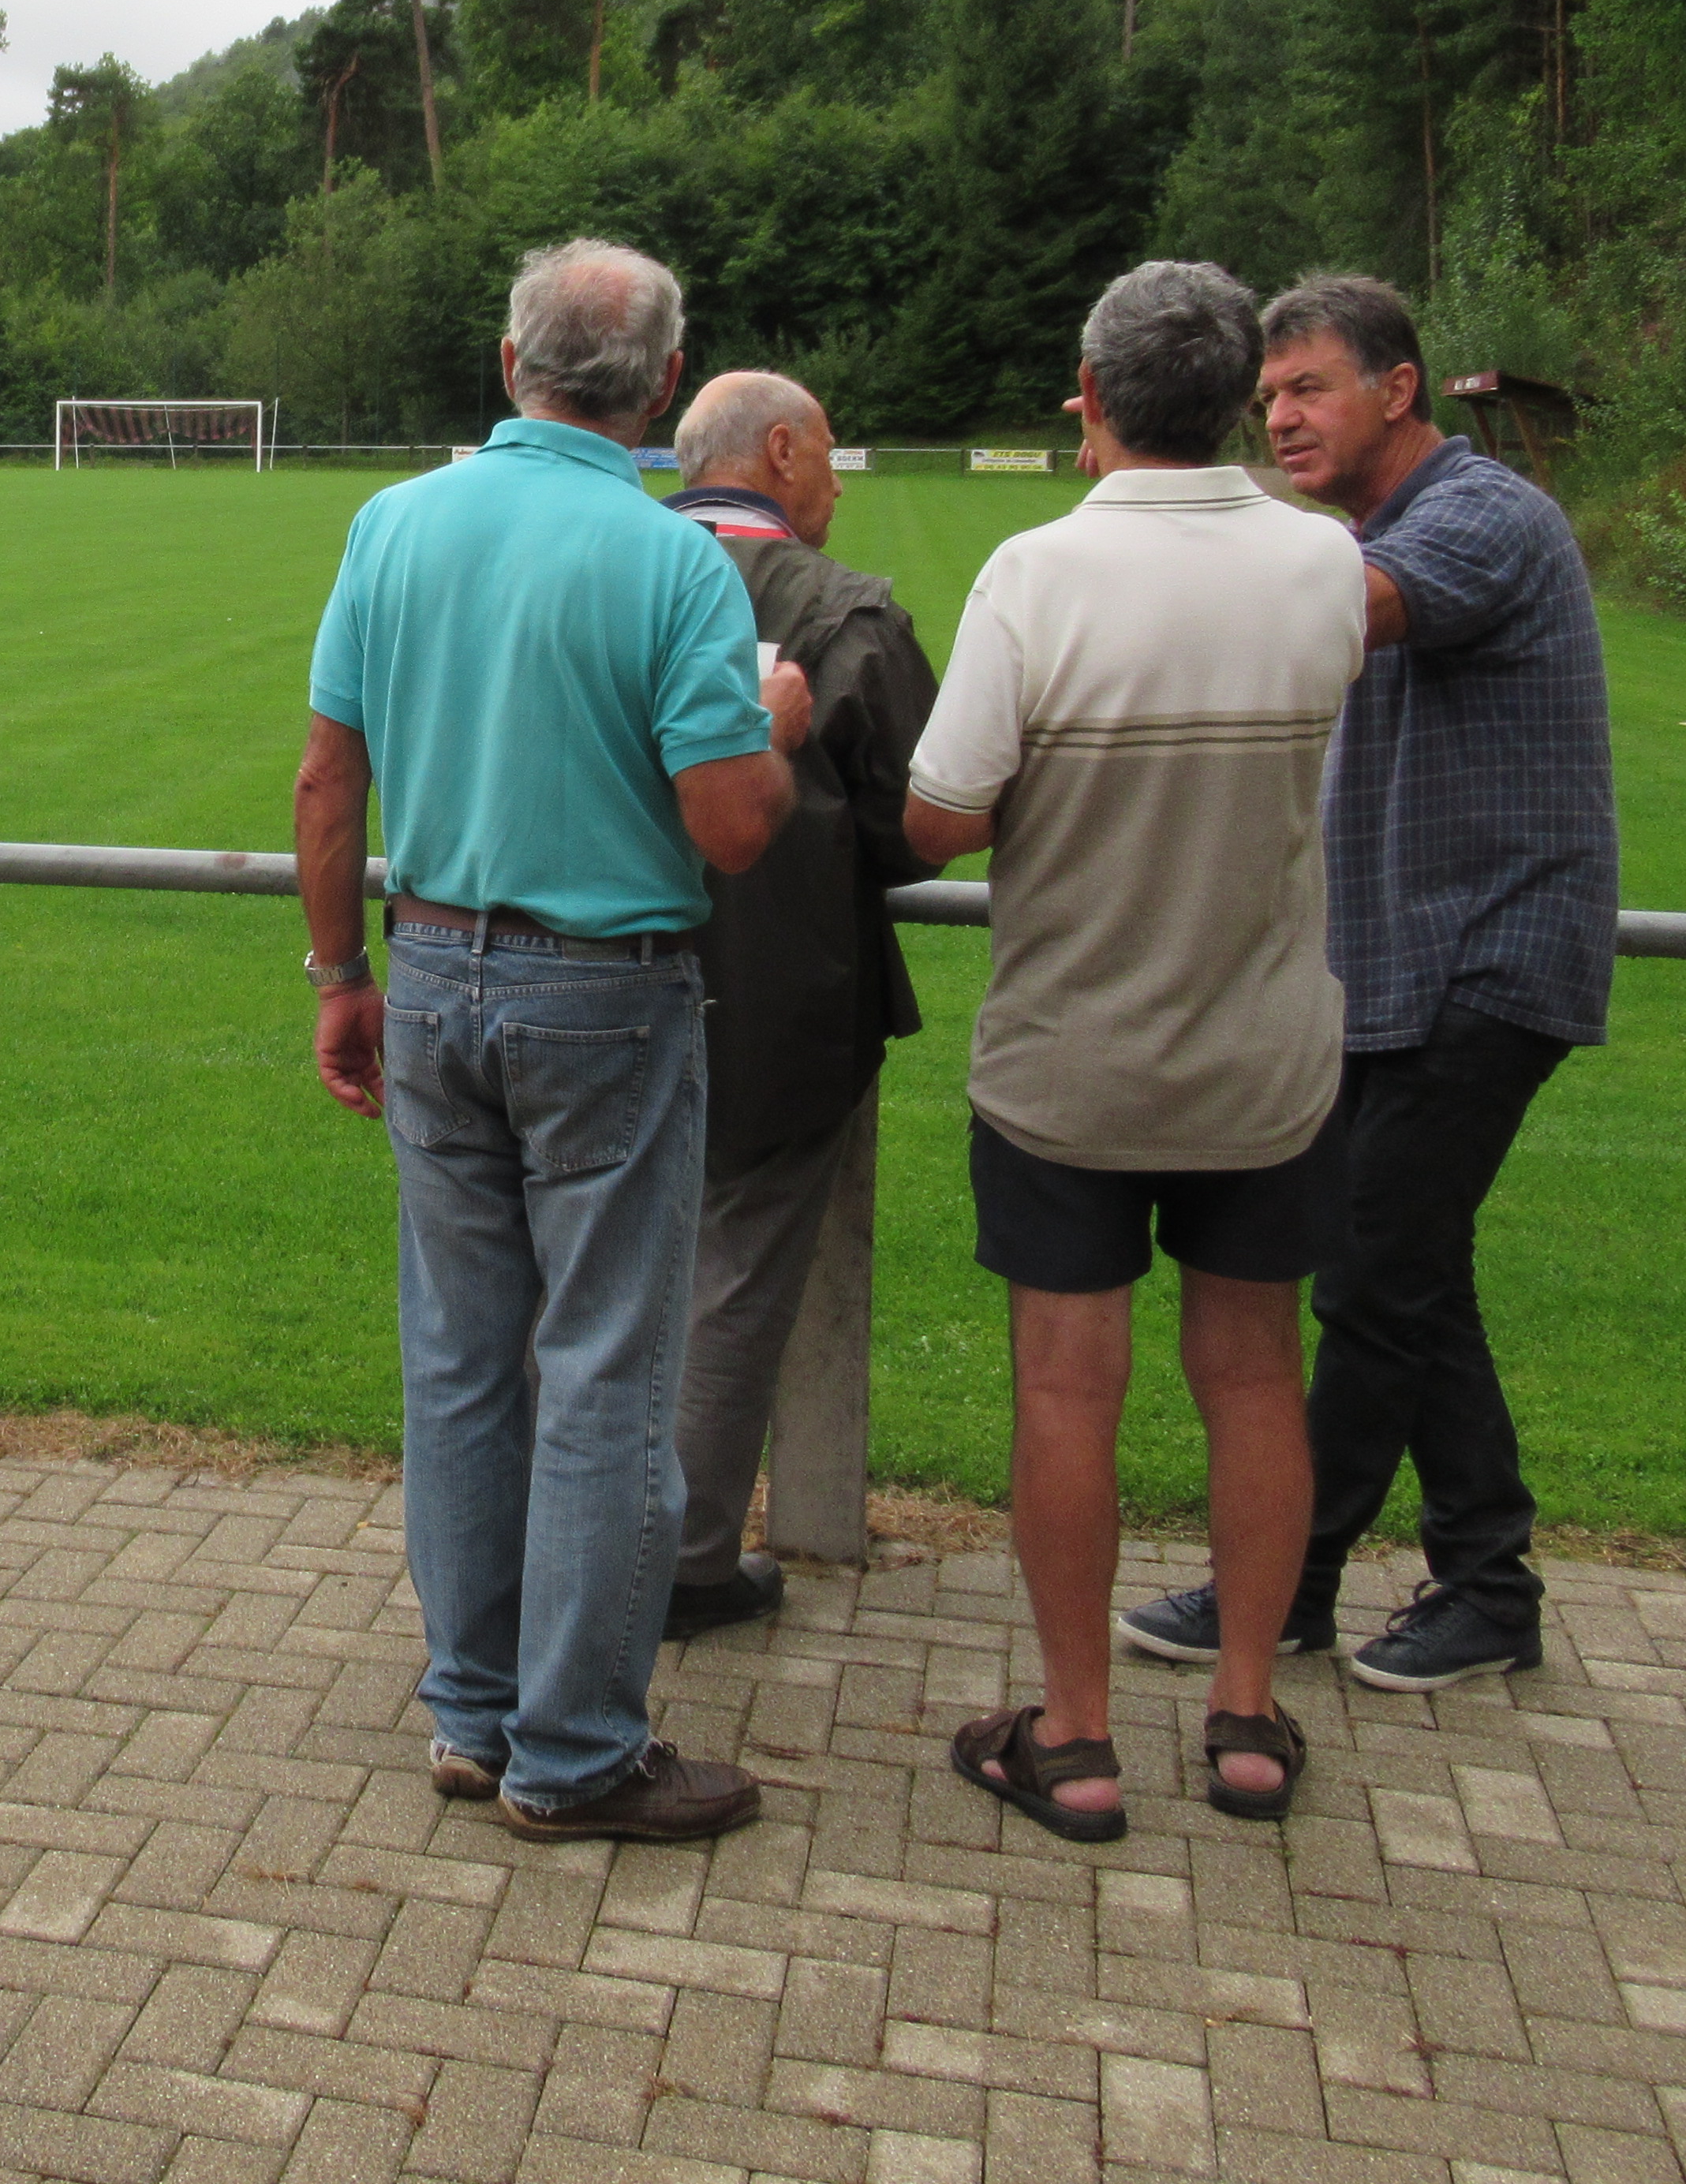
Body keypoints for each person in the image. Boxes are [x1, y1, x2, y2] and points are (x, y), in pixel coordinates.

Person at [295, 240, 808, 1843]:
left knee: (460, 1361)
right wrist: (778, 727)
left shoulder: (395, 523)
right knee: (602, 1374)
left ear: (511, 363)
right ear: (666, 383)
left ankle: (473, 1709)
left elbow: (327, 780)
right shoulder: (676, 564)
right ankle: (574, 1749)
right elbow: (733, 827)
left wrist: (339, 973)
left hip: (431, 970)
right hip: (603, 994)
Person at [900, 262, 1363, 1841]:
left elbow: (942, 818)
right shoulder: (1324, 564)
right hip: (1267, 1061)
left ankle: (1078, 1736)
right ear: (1239, 398)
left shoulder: (1036, 574)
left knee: (1066, 1387)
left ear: (1089, 397)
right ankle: (1247, 1716)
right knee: (1257, 1376)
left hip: (1072, 1062)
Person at [1120, 277, 1614, 1691]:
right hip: (1402, 972)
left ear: (1398, 390)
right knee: (1411, 1276)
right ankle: (1486, 1585)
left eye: (1309, 389)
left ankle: (1285, 1584)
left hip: (1488, 960)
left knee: (1373, 1280)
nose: (1279, 419)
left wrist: (1146, 534)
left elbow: (1347, 610)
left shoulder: (1478, 517)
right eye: (1266, 397)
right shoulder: (1374, 533)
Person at [658, 371, 936, 1636]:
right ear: (778, 452)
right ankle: (682, 1564)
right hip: (785, 1005)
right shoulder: (849, 611)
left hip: (585, 984)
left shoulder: (601, 572)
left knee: (581, 1280)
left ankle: (570, 1553)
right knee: (736, 1277)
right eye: (828, 455)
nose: (837, 481)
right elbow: (914, 823)